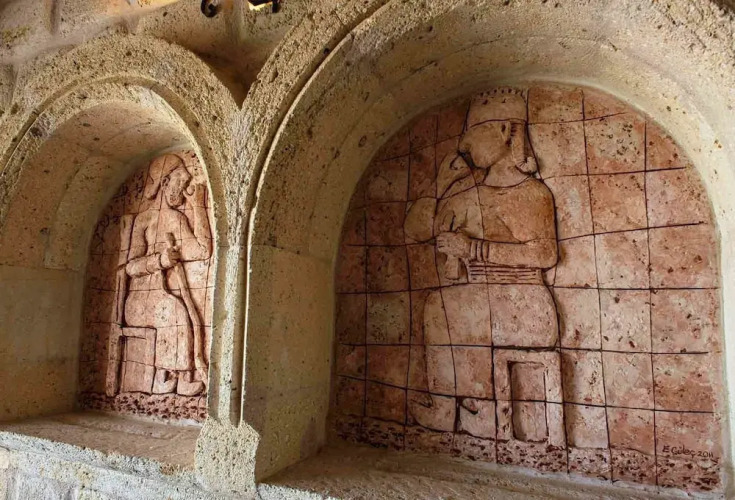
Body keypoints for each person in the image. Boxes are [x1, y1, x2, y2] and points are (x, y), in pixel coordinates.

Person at [405, 116, 558, 432]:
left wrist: (473, 248)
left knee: (448, 307)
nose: (464, 145)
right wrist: (440, 183)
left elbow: (545, 255)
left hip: (526, 306)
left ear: (503, 131)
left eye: (473, 134)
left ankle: (477, 409)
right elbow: (415, 230)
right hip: (479, 300)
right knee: (443, 305)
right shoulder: (468, 196)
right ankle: (449, 407)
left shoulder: (534, 193)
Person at [122, 154, 212, 396]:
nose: (184, 188)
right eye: (180, 182)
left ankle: (183, 377)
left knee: (177, 309)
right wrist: (158, 261)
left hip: (163, 298)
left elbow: (203, 250)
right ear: (164, 183)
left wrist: (198, 206)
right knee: (175, 312)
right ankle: (165, 376)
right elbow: (130, 267)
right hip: (139, 302)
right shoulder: (143, 221)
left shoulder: (176, 219)